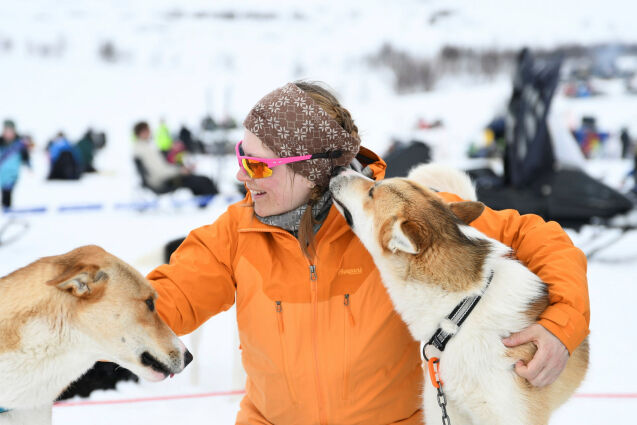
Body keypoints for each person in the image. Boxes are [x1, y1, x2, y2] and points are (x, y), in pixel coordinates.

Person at [148, 82, 590, 424]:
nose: (243, 174)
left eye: (258, 164)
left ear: (309, 169)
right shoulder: (236, 232)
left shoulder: (399, 218)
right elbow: (161, 302)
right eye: (242, 155)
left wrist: (560, 326)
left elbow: (538, 237)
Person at [132, 121, 217, 202]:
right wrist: (180, 171)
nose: (150, 132)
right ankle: (214, 202)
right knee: (203, 181)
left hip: (162, 178)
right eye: (148, 130)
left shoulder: (142, 147)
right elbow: (160, 171)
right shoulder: (145, 150)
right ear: (142, 132)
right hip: (162, 181)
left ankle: (204, 203)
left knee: (198, 180)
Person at [0, 119, 31, 209]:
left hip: (13, 173)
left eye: (10, 131)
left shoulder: (19, 145)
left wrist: (29, 166)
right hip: (2, 172)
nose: (8, 133)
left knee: (8, 190)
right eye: (7, 131)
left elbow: (26, 157)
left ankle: (7, 210)